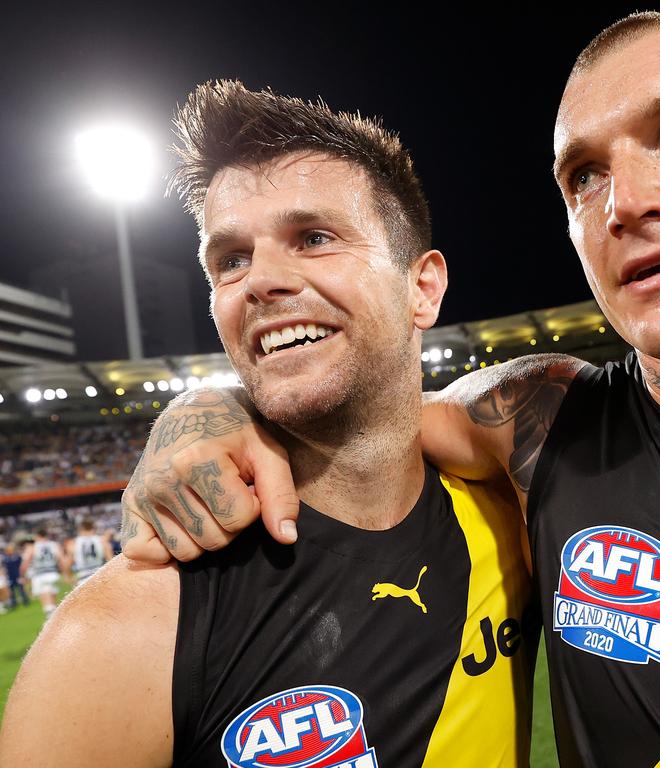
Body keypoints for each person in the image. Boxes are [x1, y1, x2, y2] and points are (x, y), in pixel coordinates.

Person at [114, 12, 660, 767]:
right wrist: (199, 413)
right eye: (583, 175)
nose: (625, 199)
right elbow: (352, 407)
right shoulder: (543, 420)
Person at [0, 82, 537, 767]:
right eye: (230, 260)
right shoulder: (120, 633)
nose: (260, 280)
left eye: (313, 238)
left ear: (421, 287)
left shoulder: (516, 516)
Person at [20, 528, 64, 618]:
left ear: (37, 536)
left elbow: (25, 563)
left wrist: (22, 575)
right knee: (52, 596)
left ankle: (50, 618)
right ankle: (55, 616)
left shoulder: (33, 547)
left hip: (40, 574)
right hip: (53, 573)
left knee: (45, 599)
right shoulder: (54, 545)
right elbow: (61, 558)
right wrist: (64, 572)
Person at [68, 518, 112, 584]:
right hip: (99, 574)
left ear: (80, 529)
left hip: (82, 576)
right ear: (93, 528)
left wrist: (70, 576)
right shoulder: (102, 540)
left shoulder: (73, 543)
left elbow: (67, 563)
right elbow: (110, 560)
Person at [2, 541, 28, 609]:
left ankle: (25, 601)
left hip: (18, 575)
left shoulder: (17, 557)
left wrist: (22, 576)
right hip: (10, 577)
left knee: (21, 590)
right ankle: (14, 604)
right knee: (12, 592)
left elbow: (21, 566)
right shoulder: (5, 559)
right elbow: (5, 569)